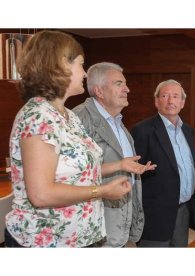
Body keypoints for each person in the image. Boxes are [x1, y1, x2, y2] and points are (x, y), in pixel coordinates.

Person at [4, 30, 146, 247]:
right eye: (81, 65)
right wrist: (103, 191)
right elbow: (41, 194)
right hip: (46, 243)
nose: (85, 74)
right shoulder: (38, 116)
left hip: (80, 239)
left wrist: (120, 165)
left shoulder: (68, 115)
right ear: (61, 66)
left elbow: (80, 172)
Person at [72, 62, 156, 247]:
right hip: (97, 230)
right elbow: (72, 175)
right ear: (99, 91)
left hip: (120, 227)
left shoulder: (118, 122)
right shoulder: (78, 119)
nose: (127, 89)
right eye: (119, 84)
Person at [130, 79, 195, 247]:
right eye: (165, 96)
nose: (170, 101)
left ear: (182, 103)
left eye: (175, 96)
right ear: (156, 101)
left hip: (182, 210)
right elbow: (135, 172)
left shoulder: (187, 130)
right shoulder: (143, 130)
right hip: (155, 215)